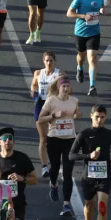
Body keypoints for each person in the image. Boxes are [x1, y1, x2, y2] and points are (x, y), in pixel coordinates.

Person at [69, 104, 111, 220]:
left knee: (102, 207)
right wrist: (88, 156)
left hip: (104, 176)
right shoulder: (84, 134)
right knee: (89, 205)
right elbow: (71, 155)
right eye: (97, 117)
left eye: (102, 117)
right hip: (89, 177)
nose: (99, 120)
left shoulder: (110, 134)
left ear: (106, 117)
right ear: (91, 116)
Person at [37, 78, 80, 207]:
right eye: (63, 86)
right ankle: (54, 184)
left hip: (70, 139)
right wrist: (54, 116)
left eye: (68, 86)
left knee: (67, 172)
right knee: (55, 168)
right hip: (54, 139)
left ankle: (66, 204)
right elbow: (40, 119)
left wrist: (77, 115)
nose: (66, 89)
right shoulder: (51, 101)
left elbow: (76, 114)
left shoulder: (74, 100)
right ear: (59, 88)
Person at [0, 127, 37, 220]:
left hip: (17, 203)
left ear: (13, 142)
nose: (7, 141)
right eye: (4, 138)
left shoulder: (22, 158)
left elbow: (34, 180)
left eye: (10, 138)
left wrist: (22, 178)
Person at [67, 0, 104, 96]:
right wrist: (83, 16)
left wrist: (102, 10)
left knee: (92, 58)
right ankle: (80, 67)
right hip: (81, 32)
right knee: (81, 56)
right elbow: (69, 13)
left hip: (94, 32)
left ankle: (92, 86)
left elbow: (101, 7)